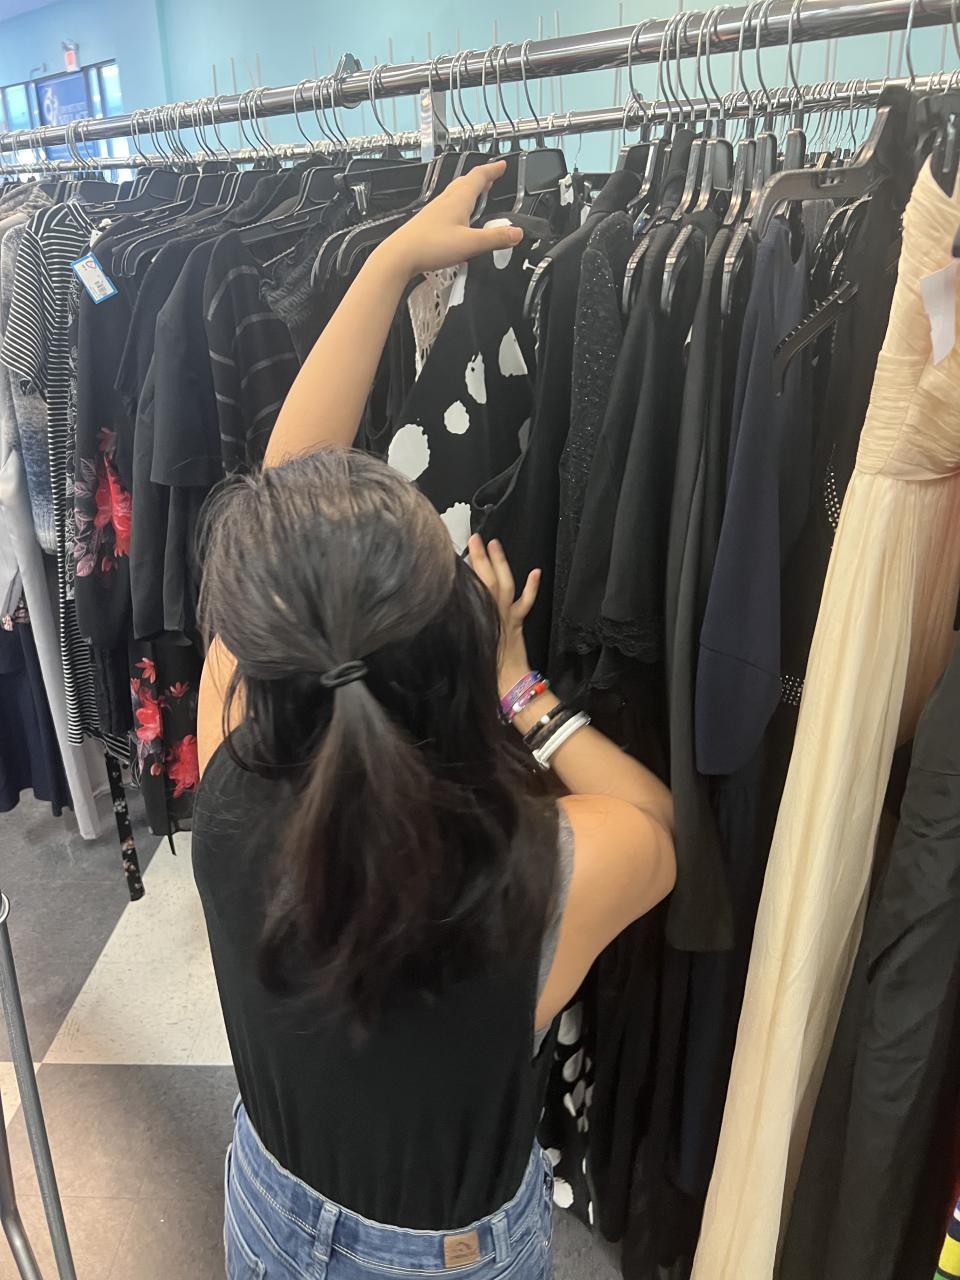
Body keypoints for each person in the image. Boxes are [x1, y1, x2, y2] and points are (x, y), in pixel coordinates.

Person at [193, 160, 675, 1280]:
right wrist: (520, 685)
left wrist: (387, 265)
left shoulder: (226, 766)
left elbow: (286, 485)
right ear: (453, 640)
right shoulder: (536, 871)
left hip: (269, 1202)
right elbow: (656, 825)